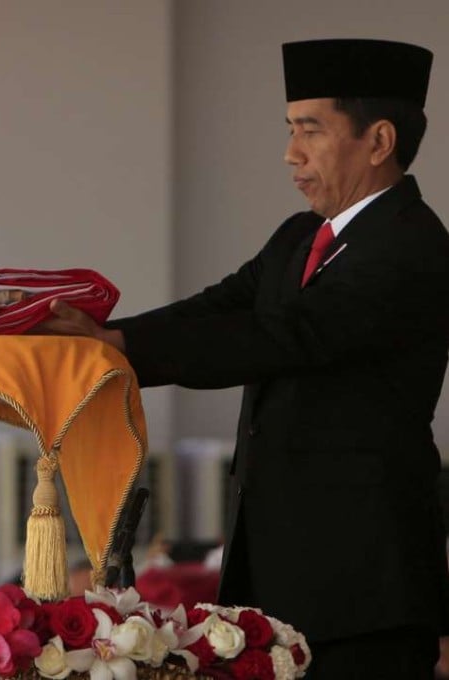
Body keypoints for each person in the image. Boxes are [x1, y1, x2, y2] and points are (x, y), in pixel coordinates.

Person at [41, 39, 449, 678]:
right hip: (280, 573)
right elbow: (218, 307)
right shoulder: (300, 236)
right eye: (290, 129)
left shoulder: (412, 245)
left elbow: (283, 336)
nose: (291, 153)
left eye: (311, 130)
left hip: (364, 586)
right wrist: (99, 337)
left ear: (378, 141)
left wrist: (122, 348)